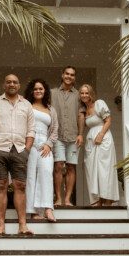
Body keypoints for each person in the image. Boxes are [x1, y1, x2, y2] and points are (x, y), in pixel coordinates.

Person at [0, 74, 35, 236]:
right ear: (4, 85)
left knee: (20, 186)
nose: (11, 84)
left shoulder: (26, 105)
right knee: (1, 186)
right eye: (8, 82)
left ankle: (22, 225)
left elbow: (31, 130)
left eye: (14, 82)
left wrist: (27, 149)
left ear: (19, 86)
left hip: (19, 150)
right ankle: (1, 226)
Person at [23, 79, 59, 222]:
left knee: (46, 174)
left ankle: (48, 209)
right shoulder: (26, 106)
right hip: (29, 144)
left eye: (41, 89)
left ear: (45, 91)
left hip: (45, 146)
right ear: (32, 91)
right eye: (36, 89)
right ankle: (32, 211)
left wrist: (49, 144)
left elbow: (55, 129)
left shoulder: (51, 109)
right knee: (31, 177)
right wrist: (26, 144)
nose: (38, 91)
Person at [79, 84, 119, 206]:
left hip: (103, 139)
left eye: (87, 93)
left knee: (104, 169)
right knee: (91, 169)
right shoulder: (84, 110)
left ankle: (107, 200)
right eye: (82, 93)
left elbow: (108, 120)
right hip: (91, 141)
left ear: (91, 94)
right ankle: (97, 200)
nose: (84, 95)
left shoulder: (99, 103)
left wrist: (101, 134)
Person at [50, 65, 84, 207]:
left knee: (71, 167)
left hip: (73, 136)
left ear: (74, 77)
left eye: (72, 74)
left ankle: (68, 199)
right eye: (67, 74)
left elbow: (81, 115)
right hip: (57, 135)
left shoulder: (79, 95)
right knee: (58, 166)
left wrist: (81, 134)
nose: (69, 76)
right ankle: (58, 198)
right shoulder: (52, 93)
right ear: (62, 75)